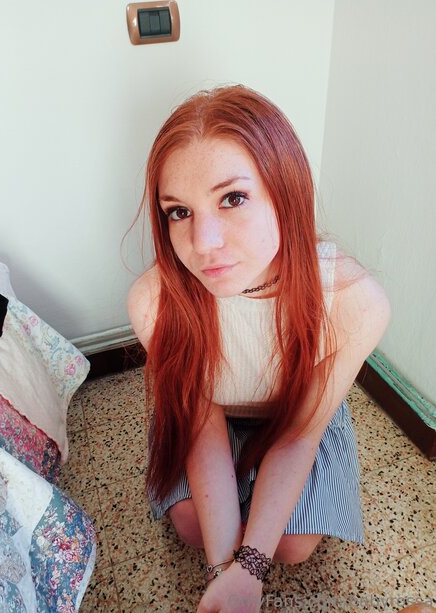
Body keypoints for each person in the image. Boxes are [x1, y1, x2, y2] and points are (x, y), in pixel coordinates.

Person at [127, 85, 391, 612]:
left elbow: (299, 435)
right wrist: (224, 571)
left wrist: (250, 567)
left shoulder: (353, 302)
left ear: (285, 192)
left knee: (292, 546)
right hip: (209, 417)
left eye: (233, 198)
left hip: (296, 415)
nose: (203, 243)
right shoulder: (155, 301)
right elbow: (201, 427)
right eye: (179, 212)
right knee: (191, 527)